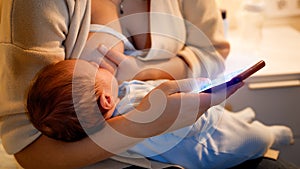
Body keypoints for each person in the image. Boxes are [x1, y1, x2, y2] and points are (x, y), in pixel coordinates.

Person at [0, 0, 297, 168]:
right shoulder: (36, 5)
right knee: (252, 143)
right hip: (96, 161)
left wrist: (140, 71)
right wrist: (145, 124)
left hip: (196, 124)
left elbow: (215, 51)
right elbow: (31, 151)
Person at [26, 59, 294, 169]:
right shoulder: (133, 125)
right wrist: (200, 107)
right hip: (209, 145)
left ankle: (238, 118)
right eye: (97, 70)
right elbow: (174, 131)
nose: (102, 65)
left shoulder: (121, 96)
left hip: (207, 118)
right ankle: (269, 134)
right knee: (252, 139)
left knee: (229, 117)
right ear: (106, 100)